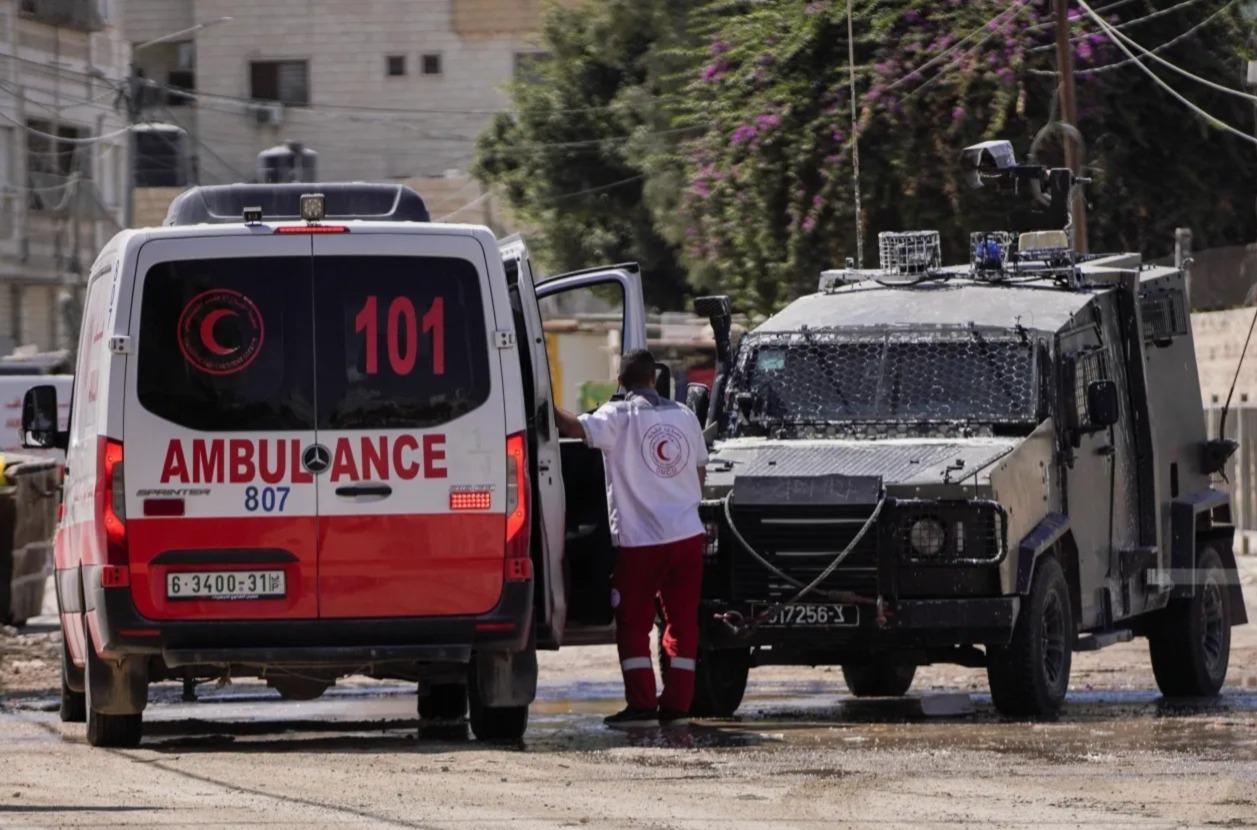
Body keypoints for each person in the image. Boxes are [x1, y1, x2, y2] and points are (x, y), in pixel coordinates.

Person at [554, 348, 708, 726]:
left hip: (642, 542)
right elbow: (700, 473)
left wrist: (542, 401)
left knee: (633, 622)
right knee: (683, 622)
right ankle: (677, 706)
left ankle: (641, 705)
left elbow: (573, 428)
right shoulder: (684, 415)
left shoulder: (617, 416)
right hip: (688, 536)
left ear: (620, 382)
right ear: (654, 379)